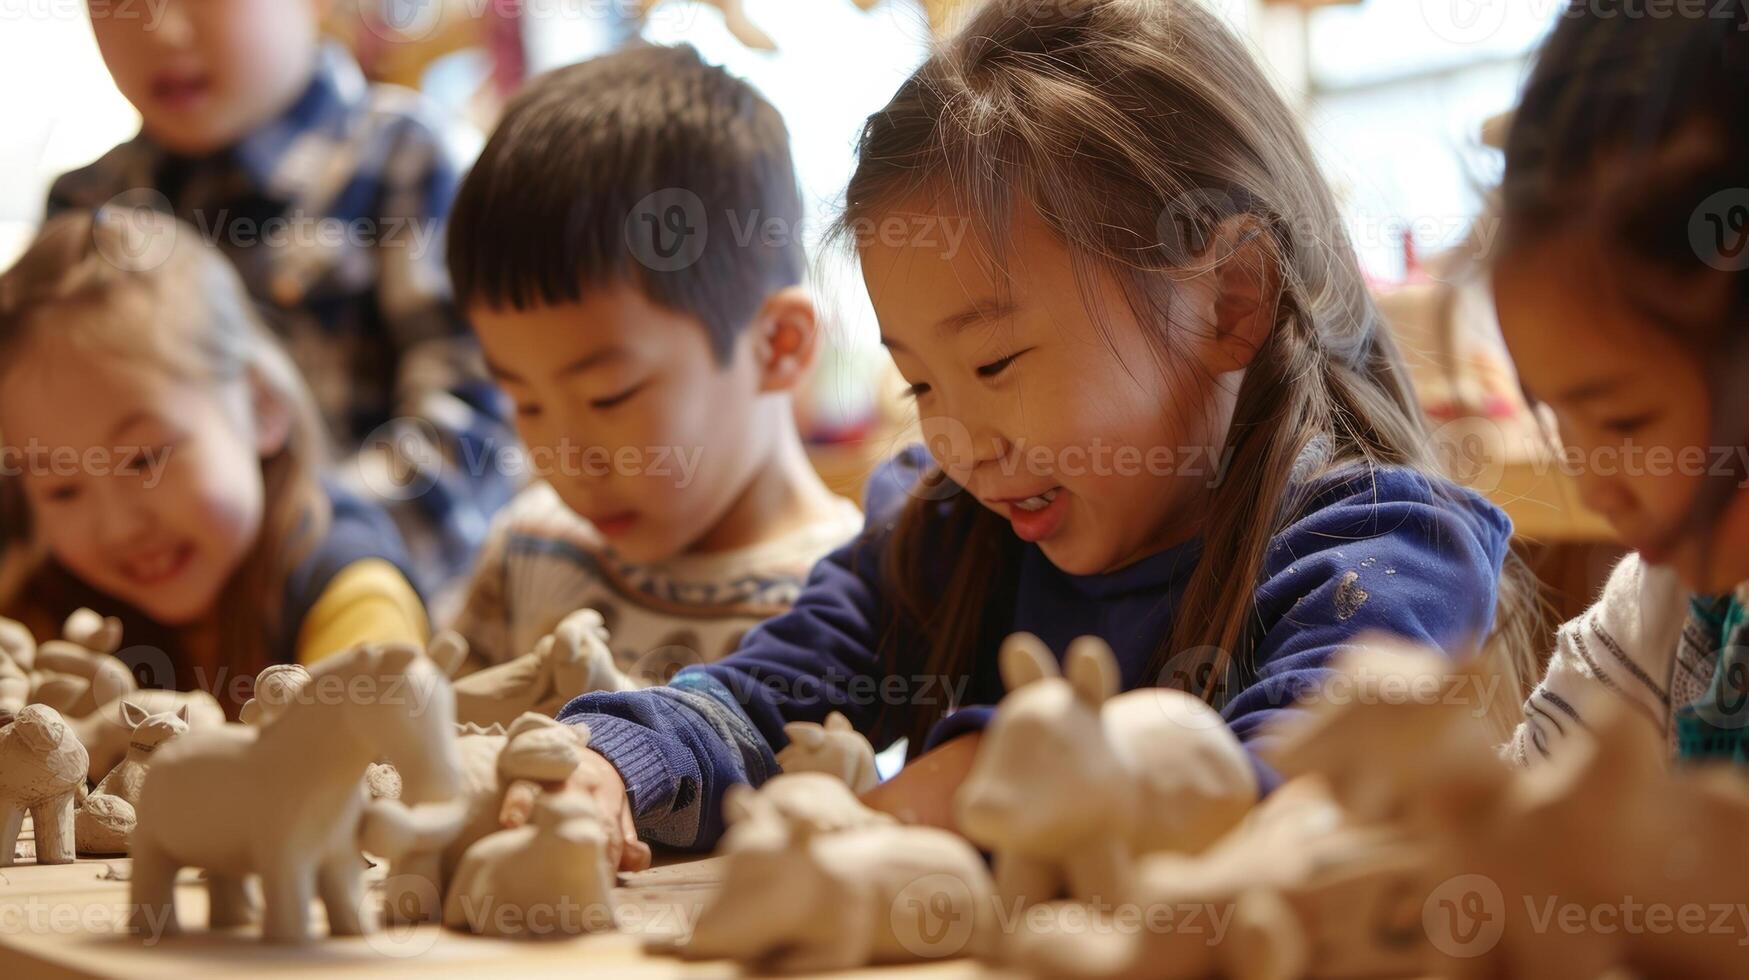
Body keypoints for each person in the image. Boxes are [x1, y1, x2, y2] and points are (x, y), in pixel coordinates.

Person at [552, 0, 1543, 869]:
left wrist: (1004, 769)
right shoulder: (940, 529)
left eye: (994, 366)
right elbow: (761, 697)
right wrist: (609, 764)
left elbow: (1297, 794)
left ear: (1230, 302)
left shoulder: (1382, 554)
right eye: (919, 382)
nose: (958, 437)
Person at [48, 0, 516, 603]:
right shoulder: (86, 209)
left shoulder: (408, 157)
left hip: (374, 611)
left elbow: (473, 436)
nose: (161, 30)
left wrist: (302, 558)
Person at [443, 44, 861, 683]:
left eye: (609, 396)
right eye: (524, 401)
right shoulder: (526, 550)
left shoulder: (850, 607)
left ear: (777, 344)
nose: (564, 458)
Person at [0, 209, 426, 716]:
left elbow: (363, 768)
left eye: (144, 460)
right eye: (61, 489)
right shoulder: (45, 612)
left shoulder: (354, 594)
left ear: (261, 405)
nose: (118, 528)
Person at [1491, 7, 1749, 767]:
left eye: (1624, 422)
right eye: (1554, 417)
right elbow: (1523, 806)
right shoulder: (1666, 614)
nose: (1592, 485)